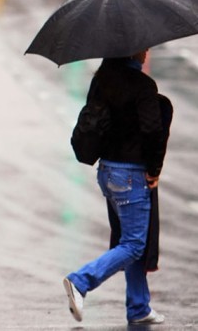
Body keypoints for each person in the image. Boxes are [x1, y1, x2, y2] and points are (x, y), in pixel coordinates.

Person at [63, 49, 169, 326]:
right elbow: (152, 130)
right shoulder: (143, 86)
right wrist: (154, 169)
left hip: (108, 171)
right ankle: (81, 281)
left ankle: (138, 306)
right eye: (143, 47)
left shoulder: (102, 80)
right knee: (134, 244)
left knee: (129, 238)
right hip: (131, 174)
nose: (146, 52)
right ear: (132, 51)